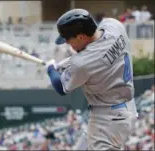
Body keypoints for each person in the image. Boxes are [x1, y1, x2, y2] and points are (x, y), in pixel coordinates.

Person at [45, 9, 138, 150]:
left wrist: (51, 68)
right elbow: (97, 52)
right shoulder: (114, 25)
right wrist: (64, 64)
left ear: (81, 36)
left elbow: (60, 87)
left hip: (108, 119)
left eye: (69, 40)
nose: (69, 45)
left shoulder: (82, 64)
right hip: (126, 107)